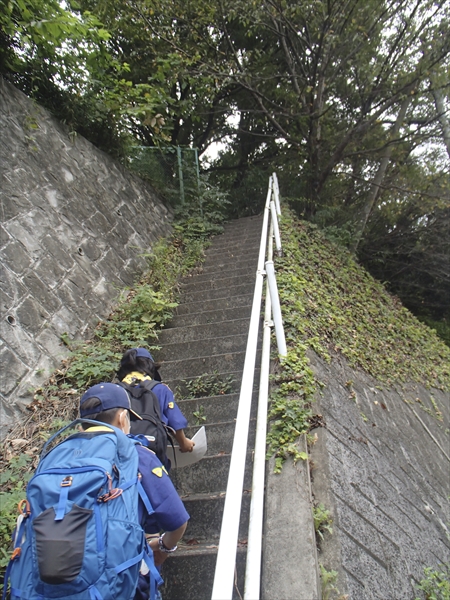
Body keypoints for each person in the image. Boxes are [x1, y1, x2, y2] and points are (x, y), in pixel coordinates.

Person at [80, 382, 190, 600]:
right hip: (118, 587)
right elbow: (178, 521)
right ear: (122, 419)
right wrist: (163, 547)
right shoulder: (135, 455)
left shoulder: (57, 459)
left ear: (81, 426)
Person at [117, 348, 195, 454]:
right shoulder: (160, 389)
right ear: (150, 367)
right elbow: (174, 421)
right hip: (153, 452)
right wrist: (184, 443)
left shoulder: (114, 391)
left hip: (122, 452)